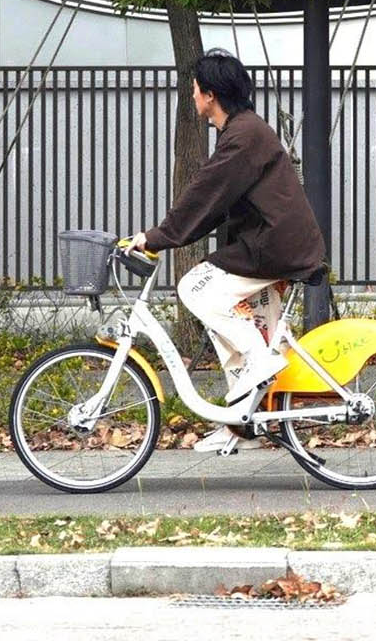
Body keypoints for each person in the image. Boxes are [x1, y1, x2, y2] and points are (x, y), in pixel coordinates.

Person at [120, 49, 326, 454]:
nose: (192, 96)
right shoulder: (242, 131)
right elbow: (218, 200)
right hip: (274, 244)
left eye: (194, 89)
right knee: (232, 328)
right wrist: (169, 234)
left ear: (209, 95)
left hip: (274, 246)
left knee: (195, 287)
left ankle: (260, 363)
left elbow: (205, 195)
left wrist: (156, 236)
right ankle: (241, 426)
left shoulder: (243, 136)